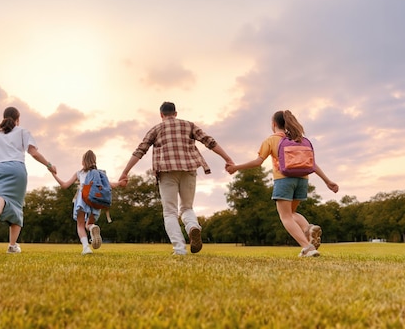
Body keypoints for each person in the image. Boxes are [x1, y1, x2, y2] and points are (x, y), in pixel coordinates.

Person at [119, 102, 234, 255]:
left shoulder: (156, 129)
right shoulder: (189, 125)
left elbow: (140, 151)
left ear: (161, 115)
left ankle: (179, 249)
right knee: (187, 207)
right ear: (176, 113)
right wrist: (228, 159)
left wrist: (125, 172)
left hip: (166, 172)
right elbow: (209, 142)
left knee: (170, 212)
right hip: (189, 169)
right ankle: (192, 226)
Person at [225, 110, 339, 257]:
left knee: (285, 216)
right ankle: (308, 228)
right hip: (303, 180)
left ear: (274, 124)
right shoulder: (299, 139)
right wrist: (328, 181)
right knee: (291, 213)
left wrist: (236, 167)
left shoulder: (271, 140)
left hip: (284, 180)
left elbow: (258, 162)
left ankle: (307, 247)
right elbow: (312, 164)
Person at [0, 106, 56, 255]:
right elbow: (33, 152)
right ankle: (12, 246)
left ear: (3, 118)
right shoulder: (23, 131)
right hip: (17, 170)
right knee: (16, 207)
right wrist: (49, 165)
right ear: (18, 119)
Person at [51, 150, 123, 255]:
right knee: (89, 223)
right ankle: (92, 227)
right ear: (95, 161)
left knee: (80, 225)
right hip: (96, 199)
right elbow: (111, 185)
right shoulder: (100, 173)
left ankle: (86, 248)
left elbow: (64, 185)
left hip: (83, 198)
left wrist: (53, 174)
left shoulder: (79, 173)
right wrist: (120, 183)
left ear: (83, 162)